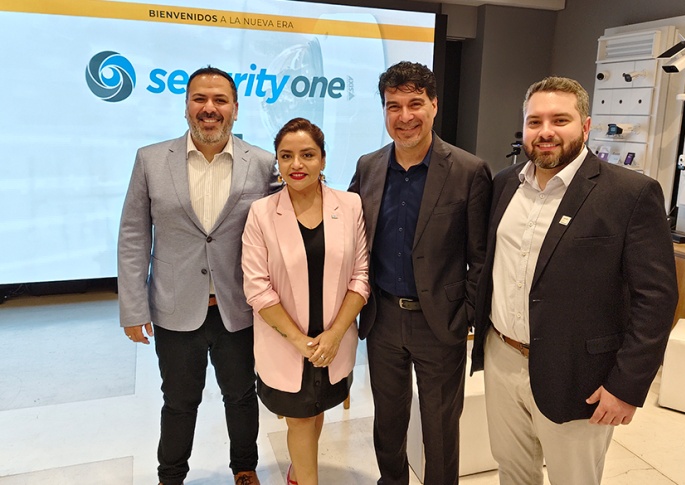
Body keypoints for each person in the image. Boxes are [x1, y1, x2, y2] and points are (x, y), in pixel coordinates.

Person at [471, 76, 679, 485]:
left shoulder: (629, 193)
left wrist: (627, 386)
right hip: (503, 357)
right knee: (512, 472)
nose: (545, 131)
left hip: (579, 373)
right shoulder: (504, 184)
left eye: (559, 120)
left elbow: (656, 298)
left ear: (585, 126)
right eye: (534, 122)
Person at [117, 66, 279, 485]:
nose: (210, 108)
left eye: (220, 100)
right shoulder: (151, 160)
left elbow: (281, 235)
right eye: (200, 99)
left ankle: (245, 468)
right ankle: (170, 476)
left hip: (238, 308)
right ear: (186, 105)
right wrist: (133, 308)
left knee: (241, 396)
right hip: (174, 308)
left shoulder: (264, 163)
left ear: (235, 109)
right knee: (178, 401)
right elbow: (134, 236)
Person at [349, 61, 492, 485]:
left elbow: (481, 256)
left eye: (415, 103)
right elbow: (351, 237)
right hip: (382, 319)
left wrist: (465, 314)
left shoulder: (468, 171)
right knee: (388, 421)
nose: (405, 116)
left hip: (440, 324)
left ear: (434, 105)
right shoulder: (369, 166)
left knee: (441, 427)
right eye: (393, 106)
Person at [242, 117, 369, 485]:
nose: (296, 164)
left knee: (316, 410)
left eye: (307, 155)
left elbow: (361, 276)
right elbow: (257, 288)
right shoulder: (262, 213)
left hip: (333, 339)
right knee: (299, 418)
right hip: (286, 341)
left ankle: (298, 471)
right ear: (277, 162)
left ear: (323, 159)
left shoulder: (350, 206)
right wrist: (301, 342)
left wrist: (334, 335)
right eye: (286, 156)